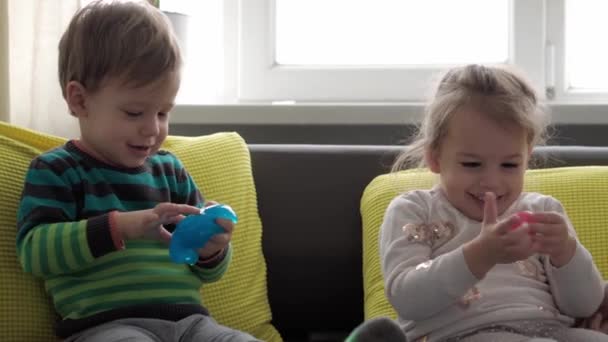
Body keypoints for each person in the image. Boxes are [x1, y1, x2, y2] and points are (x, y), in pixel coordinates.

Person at [15, 1, 258, 341]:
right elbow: (35, 253)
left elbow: (206, 272)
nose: (153, 129)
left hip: (192, 323)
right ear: (80, 101)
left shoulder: (170, 171)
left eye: (162, 112)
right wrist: (120, 226)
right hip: (106, 327)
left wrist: (212, 249)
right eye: (134, 113)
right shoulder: (57, 170)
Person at [379, 64, 608, 342]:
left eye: (510, 165)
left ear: (527, 157)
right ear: (435, 157)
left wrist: (567, 253)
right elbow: (407, 298)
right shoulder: (415, 209)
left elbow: (583, 305)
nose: (492, 181)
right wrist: (480, 254)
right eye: (472, 164)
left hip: (552, 331)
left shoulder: (543, 212)